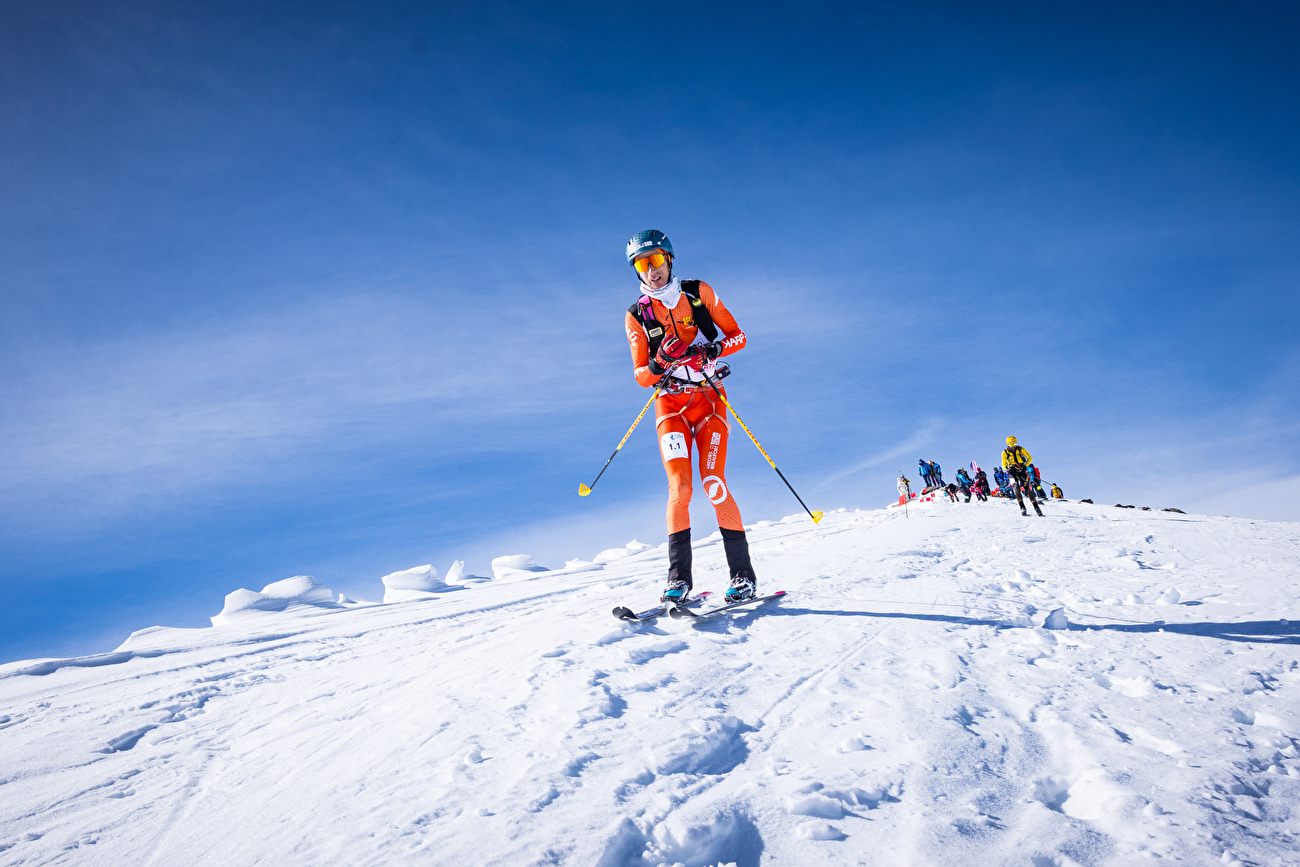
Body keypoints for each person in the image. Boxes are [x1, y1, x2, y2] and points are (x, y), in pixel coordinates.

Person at [623, 230, 755, 604]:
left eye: (656, 261)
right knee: (679, 489)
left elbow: (738, 336)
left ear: (669, 259)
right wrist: (660, 361)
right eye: (642, 265)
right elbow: (640, 376)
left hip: (709, 399)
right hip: (670, 406)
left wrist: (711, 348)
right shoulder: (636, 316)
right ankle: (678, 579)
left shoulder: (698, 293)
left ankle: (743, 576)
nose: (652, 271)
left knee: (713, 481)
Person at [1002, 435, 1043, 517]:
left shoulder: (1021, 449)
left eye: (1015, 443)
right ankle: (1022, 507)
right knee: (1016, 488)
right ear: (1008, 444)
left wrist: (1025, 466)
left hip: (1021, 470)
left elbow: (1029, 458)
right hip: (1012, 472)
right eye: (1011, 444)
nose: (1013, 445)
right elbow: (1003, 466)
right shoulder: (1005, 453)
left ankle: (1036, 508)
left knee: (1027, 488)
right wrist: (1009, 466)